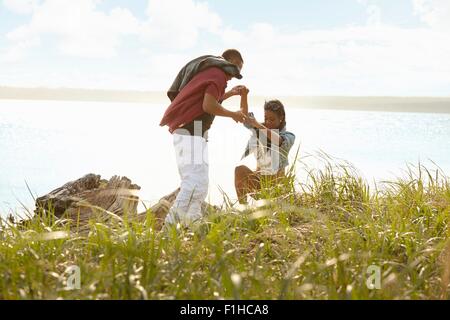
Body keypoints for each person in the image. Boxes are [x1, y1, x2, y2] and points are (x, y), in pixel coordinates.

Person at [160, 49, 248, 227]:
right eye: (236, 69)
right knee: (194, 183)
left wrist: (229, 94)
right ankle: (168, 229)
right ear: (230, 63)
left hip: (193, 130)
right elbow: (208, 105)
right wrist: (233, 114)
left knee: (200, 183)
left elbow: (206, 98)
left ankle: (193, 226)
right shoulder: (219, 75)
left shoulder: (212, 72)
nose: (234, 76)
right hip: (191, 131)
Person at [235, 96, 296, 204]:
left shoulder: (289, 136)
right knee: (239, 170)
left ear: (281, 118)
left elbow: (279, 141)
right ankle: (243, 209)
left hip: (276, 189)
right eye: (266, 118)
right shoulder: (260, 129)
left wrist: (257, 124)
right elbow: (245, 118)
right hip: (259, 185)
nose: (268, 122)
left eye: (272, 119)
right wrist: (243, 95)